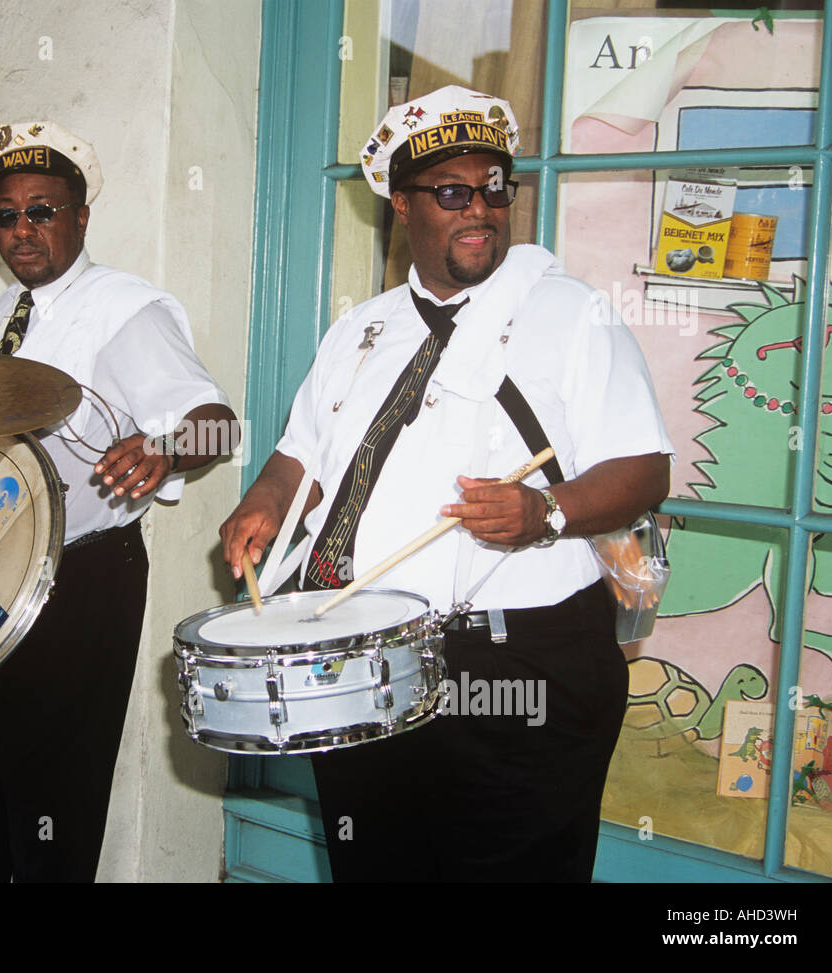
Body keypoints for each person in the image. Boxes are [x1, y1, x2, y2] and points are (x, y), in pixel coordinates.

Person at [220, 85, 673, 883]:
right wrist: (265, 500)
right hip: (367, 659)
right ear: (402, 206)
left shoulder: (572, 315)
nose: (481, 209)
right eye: (453, 193)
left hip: (518, 662)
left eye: (496, 188)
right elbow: (305, 456)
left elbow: (645, 466)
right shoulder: (358, 331)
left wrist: (548, 511)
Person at [0, 120, 238, 882]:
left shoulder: (124, 308)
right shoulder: (10, 310)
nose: (22, 230)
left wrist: (164, 448)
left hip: (79, 578)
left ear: (81, 217)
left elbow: (216, 423)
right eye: (6, 214)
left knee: (50, 790)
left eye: (42, 210)